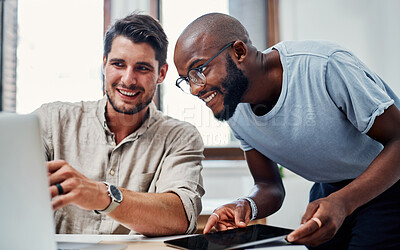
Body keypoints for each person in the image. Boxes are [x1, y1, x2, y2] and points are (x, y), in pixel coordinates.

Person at [173, 12, 400, 249]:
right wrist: (245, 204)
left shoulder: (324, 66)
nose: (194, 89)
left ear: (239, 52)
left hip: (389, 181)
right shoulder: (234, 106)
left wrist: (343, 202)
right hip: (329, 189)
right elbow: (269, 186)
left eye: (199, 70)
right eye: (186, 80)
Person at [34, 13, 205, 236]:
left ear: (161, 73)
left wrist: (101, 195)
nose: (128, 79)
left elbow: (181, 216)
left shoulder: (180, 137)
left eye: (142, 68)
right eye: (118, 64)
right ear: (104, 64)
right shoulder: (51, 121)